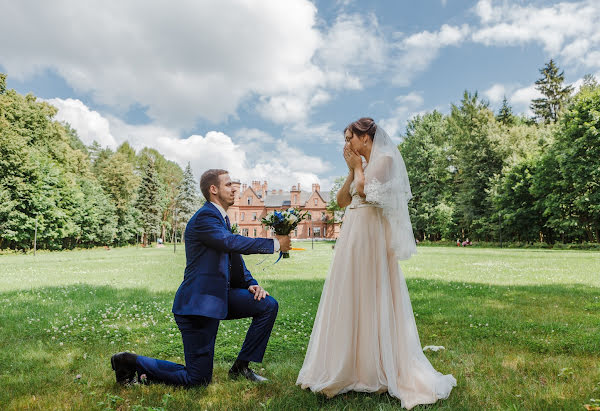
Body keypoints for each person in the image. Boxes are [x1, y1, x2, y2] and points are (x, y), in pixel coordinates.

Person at [296, 118, 456, 409]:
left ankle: (374, 367)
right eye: (345, 139)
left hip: (371, 236)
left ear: (366, 138)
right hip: (353, 234)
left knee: (372, 291)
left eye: (349, 138)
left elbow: (369, 192)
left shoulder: (385, 159)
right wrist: (351, 171)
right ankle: (348, 365)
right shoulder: (362, 165)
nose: (346, 144)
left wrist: (358, 169)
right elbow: (343, 201)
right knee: (349, 292)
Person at [111, 169, 291, 387]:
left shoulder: (220, 219)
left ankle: (240, 367)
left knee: (267, 305)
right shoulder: (206, 217)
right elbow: (230, 243)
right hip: (197, 307)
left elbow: (233, 258)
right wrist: (274, 244)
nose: (234, 188)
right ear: (213, 190)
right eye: (228, 185)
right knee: (198, 380)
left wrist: (251, 284)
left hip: (217, 297)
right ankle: (129, 362)